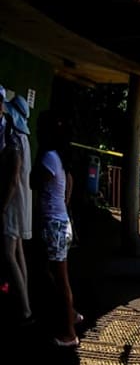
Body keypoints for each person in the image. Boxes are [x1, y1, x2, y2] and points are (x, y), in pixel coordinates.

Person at [31, 109, 77, 347]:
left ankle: (69, 333)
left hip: (55, 223)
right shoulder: (59, 157)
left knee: (61, 280)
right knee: (50, 272)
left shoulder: (49, 157)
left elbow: (33, 180)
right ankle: (70, 313)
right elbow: (69, 181)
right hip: (59, 222)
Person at [2, 87, 33, 325]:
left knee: (8, 254)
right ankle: (24, 299)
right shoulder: (25, 139)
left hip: (13, 203)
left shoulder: (14, 141)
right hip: (23, 201)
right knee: (19, 252)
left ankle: (24, 308)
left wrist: (2, 206)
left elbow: (12, 178)